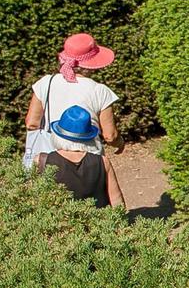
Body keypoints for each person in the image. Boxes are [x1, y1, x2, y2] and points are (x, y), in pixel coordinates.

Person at [24, 33, 123, 206]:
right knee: (94, 202)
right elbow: (110, 136)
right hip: (89, 156)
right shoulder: (100, 91)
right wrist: (120, 144)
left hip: (51, 155)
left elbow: (31, 123)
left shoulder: (46, 82)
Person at [34, 105, 123, 208]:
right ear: (89, 137)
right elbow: (116, 200)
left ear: (57, 135)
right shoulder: (102, 162)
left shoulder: (42, 161)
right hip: (98, 222)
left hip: (57, 222)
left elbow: (33, 199)